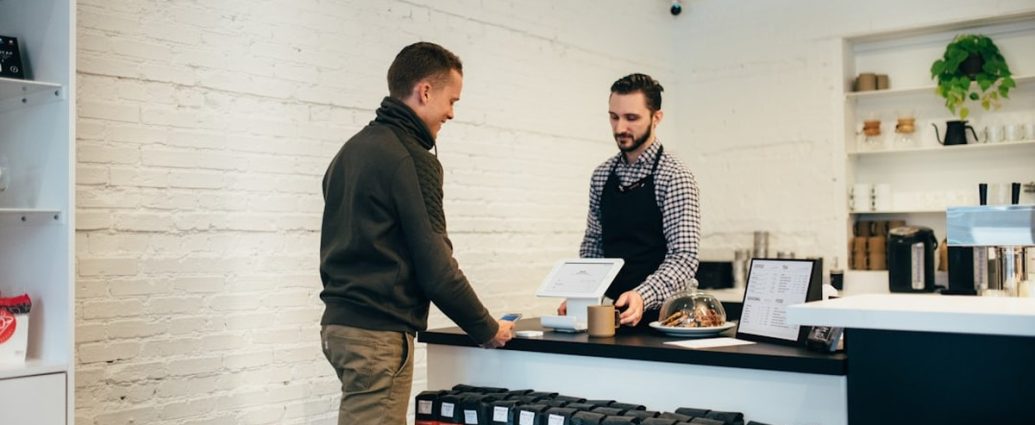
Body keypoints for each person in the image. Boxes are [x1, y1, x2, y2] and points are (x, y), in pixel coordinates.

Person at [319, 41, 514, 425]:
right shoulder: (411, 159)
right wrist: (486, 328)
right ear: (425, 91)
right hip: (378, 335)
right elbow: (436, 267)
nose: (452, 113)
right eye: (451, 100)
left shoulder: (350, 151)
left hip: (339, 328)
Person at [561, 73, 701, 327]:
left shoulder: (674, 176)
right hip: (616, 315)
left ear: (656, 117)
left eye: (631, 118)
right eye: (614, 117)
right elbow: (594, 245)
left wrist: (642, 296)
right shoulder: (602, 175)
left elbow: (684, 257)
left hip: (670, 318)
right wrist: (580, 295)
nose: (619, 128)